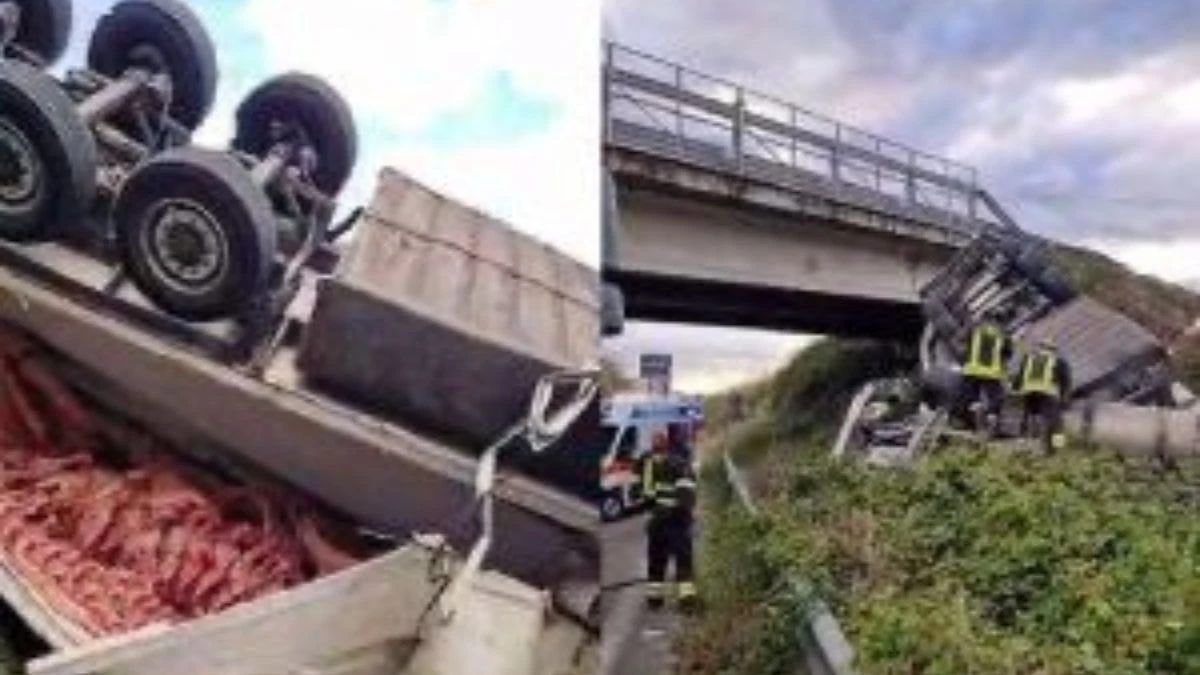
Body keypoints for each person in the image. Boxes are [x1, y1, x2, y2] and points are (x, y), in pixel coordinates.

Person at [639, 426, 697, 611]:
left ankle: (654, 601)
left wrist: (654, 516)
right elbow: (686, 498)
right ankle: (687, 602)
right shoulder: (681, 464)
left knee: (656, 563)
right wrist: (684, 517)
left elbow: (646, 496)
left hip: (657, 524)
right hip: (676, 524)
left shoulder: (647, 464)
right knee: (683, 563)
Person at [1015, 338, 1072, 452]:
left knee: (1029, 416)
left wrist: (1016, 389)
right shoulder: (1058, 360)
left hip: (1029, 392)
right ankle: (1057, 448)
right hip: (1048, 393)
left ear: (1040, 347)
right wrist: (1065, 399)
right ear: (1053, 349)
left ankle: (1023, 444)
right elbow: (1066, 381)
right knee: (1056, 423)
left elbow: (1020, 377)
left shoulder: (1029, 358)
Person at [959, 316, 1013, 434]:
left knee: (974, 399)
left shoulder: (975, 327)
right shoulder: (1003, 333)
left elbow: (962, 339)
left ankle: (976, 426)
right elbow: (1007, 354)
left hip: (972, 370)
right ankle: (991, 425)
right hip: (991, 373)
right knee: (995, 400)